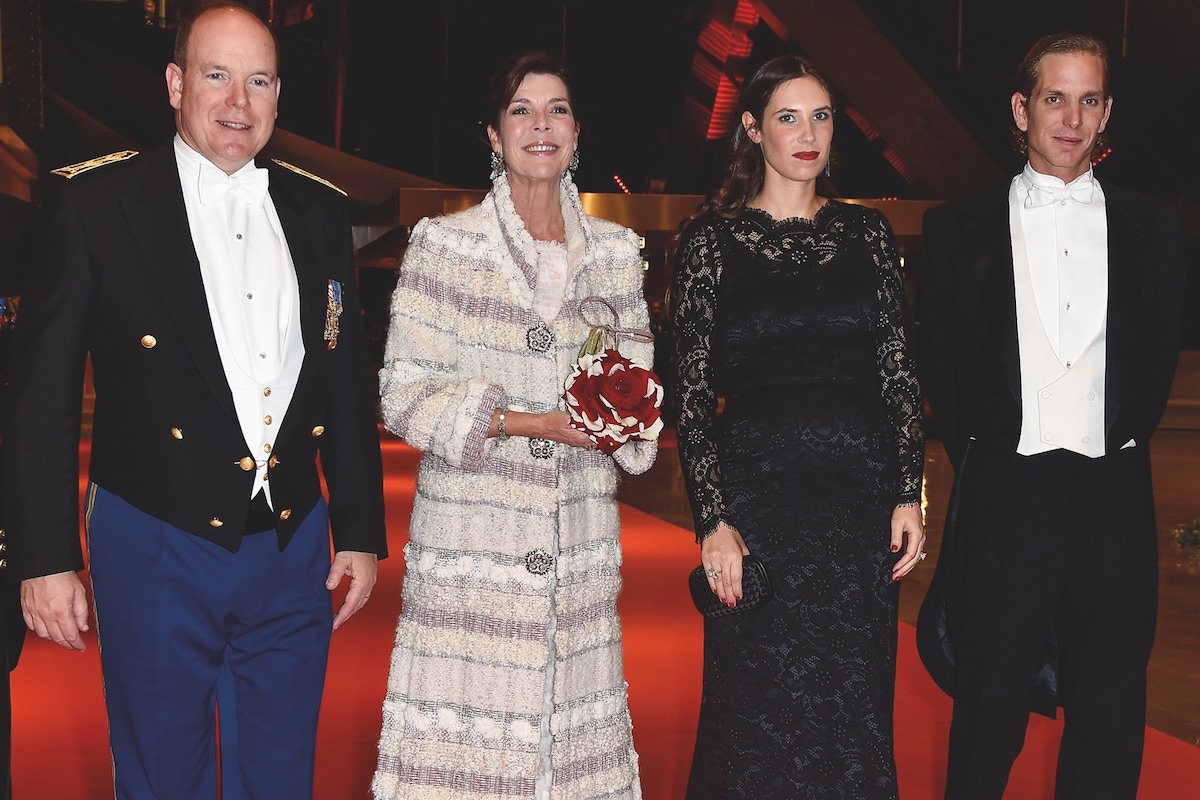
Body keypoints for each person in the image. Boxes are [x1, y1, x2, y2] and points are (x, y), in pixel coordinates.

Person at [2, 3, 387, 798]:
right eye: (217, 76)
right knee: (163, 775)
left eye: (258, 82)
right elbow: (37, 396)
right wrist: (43, 556)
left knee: (280, 775)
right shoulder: (95, 204)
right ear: (176, 84)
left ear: (279, 98)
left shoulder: (321, 210)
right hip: (155, 536)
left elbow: (341, 376)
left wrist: (357, 526)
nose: (237, 102)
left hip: (290, 540)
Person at [371, 51, 655, 800]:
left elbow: (640, 397)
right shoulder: (443, 246)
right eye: (522, 111)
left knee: (570, 761)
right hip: (472, 550)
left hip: (577, 546)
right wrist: (529, 421)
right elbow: (402, 393)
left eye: (556, 109)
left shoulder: (619, 256)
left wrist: (624, 418)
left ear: (577, 132)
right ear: (494, 135)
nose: (541, 124)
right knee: (467, 763)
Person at [917, 32, 1186, 800]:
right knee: (987, 711)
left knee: (1110, 713)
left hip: (1114, 492)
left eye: (1089, 99)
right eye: (1054, 97)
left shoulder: (1155, 229)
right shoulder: (953, 229)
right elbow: (949, 373)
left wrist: (1116, 435)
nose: (1071, 117)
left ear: (1107, 115)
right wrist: (998, 448)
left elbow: (1158, 359)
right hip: (1009, 489)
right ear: (1021, 108)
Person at [671, 54, 926, 799]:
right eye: (788, 116)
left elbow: (897, 371)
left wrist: (905, 492)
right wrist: (712, 521)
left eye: (821, 116)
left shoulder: (868, 235)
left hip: (856, 509)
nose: (807, 133)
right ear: (752, 129)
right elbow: (690, 393)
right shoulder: (710, 242)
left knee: (853, 707)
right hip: (759, 507)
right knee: (754, 708)